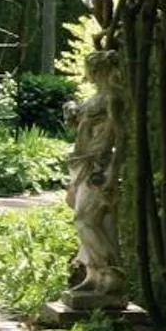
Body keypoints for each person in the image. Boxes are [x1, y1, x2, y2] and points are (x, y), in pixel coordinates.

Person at [61, 46, 127, 308]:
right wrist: (74, 115)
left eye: (89, 68)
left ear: (98, 69)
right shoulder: (97, 96)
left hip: (98, 165)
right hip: (83, 163)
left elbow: (121, 137)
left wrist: (113, 173)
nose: (86, 73)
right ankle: (93, 274)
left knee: (85, 220)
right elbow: (84, 126)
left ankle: (111, 273)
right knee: (94, 220)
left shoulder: (113, 97)